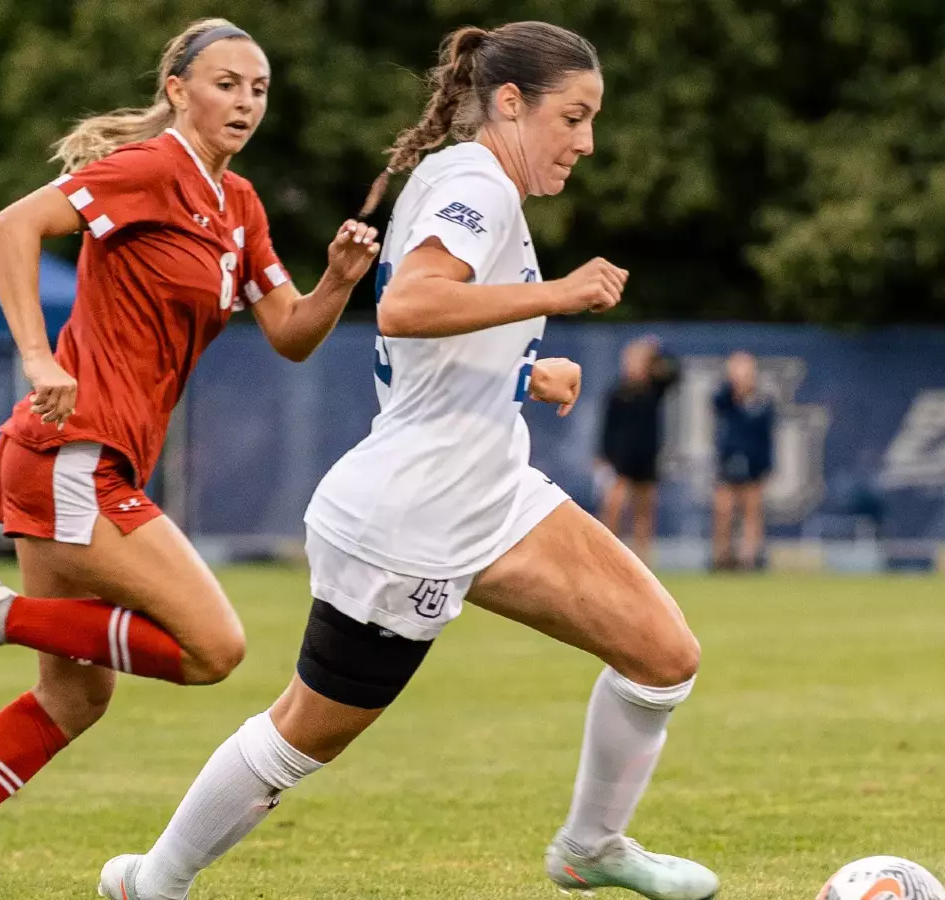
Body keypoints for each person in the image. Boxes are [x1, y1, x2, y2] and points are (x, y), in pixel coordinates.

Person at [97, 22, 715, 900]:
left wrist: (527, 369)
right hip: (413, 520)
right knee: (303, 735)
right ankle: (152, 882)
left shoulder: (472, 179)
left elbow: (438, 338)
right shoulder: (477, 182)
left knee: (663, 656)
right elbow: (413, 305)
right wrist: (562, 294)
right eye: (573, 117)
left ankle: (591, 847)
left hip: (491, 492)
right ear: (511, 103)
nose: (585, 141)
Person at [0, 19, 380, 900]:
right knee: (214, 647)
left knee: (75, 700)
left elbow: (290, 334)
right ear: (178, 88)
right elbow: (11, 226)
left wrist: (337, 281)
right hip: (73, 454)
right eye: (226, 82)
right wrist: (36, 355)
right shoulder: (148, 170)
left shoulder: (239, 203)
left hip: (87, 465)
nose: (245, 101)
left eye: (257, 88)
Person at [597, 337, 679, 563]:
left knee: (644, 509)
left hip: (647, 455)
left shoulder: (654, 389)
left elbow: (675, 372)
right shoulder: (618, 391)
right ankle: (607, 554)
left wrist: (656, 350)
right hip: (621, 456)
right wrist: (603, 455)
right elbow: (607, 426)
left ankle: (643, 558)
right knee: (614, 504)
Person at [712, 352, 775, 570]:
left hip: (754, 463)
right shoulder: (726, 399)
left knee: (752, 510)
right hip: (729, 460)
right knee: (724, 510)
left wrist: (766, 465)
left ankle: (750, 557)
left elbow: (765, 437)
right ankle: (722, 556)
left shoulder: (762, 402)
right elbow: (718, 403)